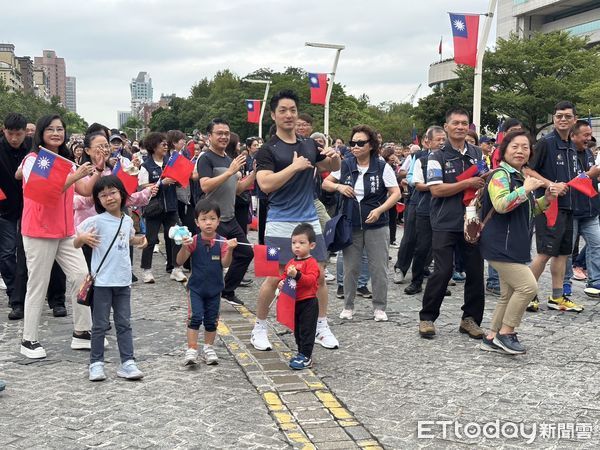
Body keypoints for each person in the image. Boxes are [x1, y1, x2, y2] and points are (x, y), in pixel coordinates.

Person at [252, 89, 341, 351]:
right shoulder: (267, 150)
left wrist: (334, 159)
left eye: (292, 110)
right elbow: (265, 184)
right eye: (283, 110)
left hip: (309, 221)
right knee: (273, 278)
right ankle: (259, 327)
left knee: (319, 276)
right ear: (273, 115)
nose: (289, 115)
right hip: (278, 220)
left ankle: (321, 326)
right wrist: (294, 167)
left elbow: (329, 168)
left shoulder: (308, 144)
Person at [17, 114, 99, 359]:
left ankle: (82, 332)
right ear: (41, 132)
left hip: (65, 231)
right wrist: (75, 175)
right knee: (38, 285)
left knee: (82, 277)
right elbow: (45, 191)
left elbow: (84, 190)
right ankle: (28, 339)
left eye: (60, 129)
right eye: (51, 129)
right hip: (39, 231)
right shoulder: (34, 160)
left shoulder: (66, 161)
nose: (56, 133)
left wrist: (99, 168)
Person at [479, 130, 556, 354]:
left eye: (525, 147)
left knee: (509, 293)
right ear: (504, 150)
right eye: (515, 146)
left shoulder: (521, 177)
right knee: (528, 286)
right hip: (499, 243)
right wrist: (526, 189)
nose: (521, 151)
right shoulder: (500, 175)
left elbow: (529, 211)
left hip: (514, 243)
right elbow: (502, 205)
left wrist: (546, 200)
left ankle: (492, 337)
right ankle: (507, 332)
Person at [418, 107, 486, 339]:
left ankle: (470, 319)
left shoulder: (477, 153)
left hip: (472, 221)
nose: (460, 127)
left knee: (476, 272)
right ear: (446, 127)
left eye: (464, 123)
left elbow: (483, 181)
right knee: (443, 270)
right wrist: (467, 183)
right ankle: (427, 318)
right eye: (455, 123)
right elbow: (436, 190)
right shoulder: (436, 155)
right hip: (445, 221)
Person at [323, 124, 401, 321]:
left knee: (379, 266)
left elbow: (395, 193)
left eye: (360, 143)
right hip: (351, 223)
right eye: (352, 143)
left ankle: (379, 307)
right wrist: (339, 186)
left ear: (371, 145)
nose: (355, 147)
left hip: (377, 223)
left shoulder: (381, 166)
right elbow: (326, 183)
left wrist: (380, 209)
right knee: (350, 266)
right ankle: (348, 305)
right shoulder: (346, 164)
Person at [75, 176, 147, 381]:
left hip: (123, 281)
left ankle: (127, 362)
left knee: (124, 323)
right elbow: (75, 241)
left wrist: (139, 241)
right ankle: (96, 363)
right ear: (98, 200)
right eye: (103, 195)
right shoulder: (95, 221)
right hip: (102, 283)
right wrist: (82, 239)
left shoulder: (126, 220)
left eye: (113, 192)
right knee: (99, 325)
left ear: (122, 194)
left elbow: (128, 238)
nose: (109, 198)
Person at [525, 101, 583, 312]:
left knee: (563, 253)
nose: (563, 120)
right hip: (549, 206)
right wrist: (550, 184)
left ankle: (557, 297)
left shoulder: (571, 145)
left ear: (574, 120)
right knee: (545, 252)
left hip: (569, 206)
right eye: (559, 116)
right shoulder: (546, 143)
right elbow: (527, 170)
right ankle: (528, 294)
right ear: (553, 118)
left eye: (567, 116)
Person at [197, 119, 255, 305]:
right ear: (209, 136)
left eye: (226, 133)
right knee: (212, 262)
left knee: (246, 253)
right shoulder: (206, 158)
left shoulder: (229, 160)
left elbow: (237, 189)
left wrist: (254, 173)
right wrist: (230, 172)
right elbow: (205, 185)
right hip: (213, 221)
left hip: (230, 218)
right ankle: (205, 300)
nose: (223, 137)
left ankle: (227, 290)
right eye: (219, 133)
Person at [176, 199, 237, 366]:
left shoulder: (222, 241)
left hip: (215, 289)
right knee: (195, 317)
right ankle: (192, 349)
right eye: (204, 219)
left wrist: (230, 249)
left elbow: (225, 264)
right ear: (197, 222)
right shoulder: (193, 240)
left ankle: (208, 348)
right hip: (196, 288)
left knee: (211, 320)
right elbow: (180, 261)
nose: (208, 222)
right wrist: (183, 246)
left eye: (212, 218)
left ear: (218, 221)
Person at [138, 132, 186, 283]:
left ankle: (176, 268)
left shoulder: (170, 162)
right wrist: (160, 183)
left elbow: (179, 180)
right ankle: (147, 270)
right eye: (162, 144)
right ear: (153, 147)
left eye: (166, 144)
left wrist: (178, 180)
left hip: (171, 207)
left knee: (178, 237)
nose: (166, 146)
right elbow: (142, 186)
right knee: (150, 239)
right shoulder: (146, 166)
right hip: (154, 208)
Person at [404, 126, 447, 295]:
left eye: (444, 139)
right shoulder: (421, 160)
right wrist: (437, 186)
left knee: (442, 249)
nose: (442, 142)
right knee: (422, 247)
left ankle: (440, 284)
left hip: (445, 209)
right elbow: (418, 184)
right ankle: (416, 281)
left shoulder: (449, 158)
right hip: (426, 208)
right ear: (428, 142)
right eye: (438, 139)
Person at [561, 120, 600, 298]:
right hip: (572, 210)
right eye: (585, 135)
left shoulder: (589, 154)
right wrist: (589, 175)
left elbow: (591, 180)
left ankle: (595, 282)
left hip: (591, 210)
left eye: (590, 134)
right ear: (573, 136)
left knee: (597, 245)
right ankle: (565, 283)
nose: (589, 138)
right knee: (568, 250)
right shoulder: (566, 155)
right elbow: (569, 181)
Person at [278, 223, 320, 369]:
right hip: (294, 301)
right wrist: (282, 283)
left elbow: (311, 281)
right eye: (294, 242)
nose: (297, 246)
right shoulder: (291, 262)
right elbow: (284, 277)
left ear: (312, 245)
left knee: (307, 330)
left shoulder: (312, 263)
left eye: (302, 243)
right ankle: (300, 352)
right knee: (298, 329)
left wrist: (297, 275)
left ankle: (306, 356)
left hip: (308, 302)